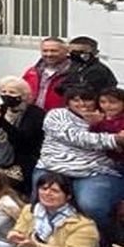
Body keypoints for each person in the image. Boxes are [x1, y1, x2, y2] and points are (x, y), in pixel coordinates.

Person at [33, 86, 124, 229]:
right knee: (41, 199)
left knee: (91, 205)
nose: (82, 104)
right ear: (67, 102)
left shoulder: (106, 116)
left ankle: (105, 240)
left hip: (95, 170)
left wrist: (102, 125)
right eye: (75, 100)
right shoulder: (57, 115)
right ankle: (42, 236)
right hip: (54, 166)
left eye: (87, 99)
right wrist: (114, 140)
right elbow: (75, 137)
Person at [0, 77, 45, 192]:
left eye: (12, 92)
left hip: (21, 160)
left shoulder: (35, 114)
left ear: (24, 95)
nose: (7, 95)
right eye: (4, 92)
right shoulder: (2, 109)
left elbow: (22, 139)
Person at [22, 37, 75, 111]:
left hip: (60, 119)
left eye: (54, 51)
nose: (49, 54)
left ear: (66, 51)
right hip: (33, 117)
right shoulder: (32, 72)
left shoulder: (74, 73)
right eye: (45, 51)